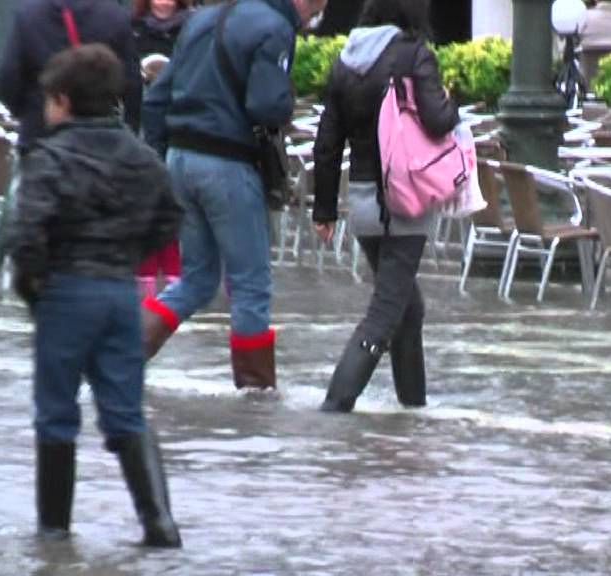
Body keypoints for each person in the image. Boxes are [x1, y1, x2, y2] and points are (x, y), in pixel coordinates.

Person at [7, 44, 183, 546]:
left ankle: (54, 534)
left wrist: (33, 287)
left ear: (62, 100)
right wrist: (129, 253)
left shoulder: (51, 156)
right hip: (118, 292)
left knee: (57, 412)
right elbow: (170, 218)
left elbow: (27, 234)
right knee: (125, 410)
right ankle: (160, 525)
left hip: (65, 290)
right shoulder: (141, 156)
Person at [141, 0, 328, 390]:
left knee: (196, 279)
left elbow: (156, 99)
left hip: (180, 159)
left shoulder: (200, 20)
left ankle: (119, 354)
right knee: (250, 285)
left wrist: (165, 159)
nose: (315, 16)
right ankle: (255, 401)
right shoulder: (274, 28)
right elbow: (266, 106)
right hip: (227, 165)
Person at [312, 0, 459, 413]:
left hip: (361, 202)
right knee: (385, 312)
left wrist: (324, 209)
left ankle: (412, 408)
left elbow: (327, 143)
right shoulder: (414, 55)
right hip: (406, 199)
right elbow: (437, 119)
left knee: (408, 308)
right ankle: (336, 405)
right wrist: (452, 101)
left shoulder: (346, 59)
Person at [0, 0, 142, 152]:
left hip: (40, 129)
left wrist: (27, 112)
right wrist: (129, 130)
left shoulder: (29, 13)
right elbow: (131, 82)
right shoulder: (115, 15)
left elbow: (9, 75)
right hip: (99, 134)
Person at [134, 0, 192, 300]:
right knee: (145, 207)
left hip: (179, 127)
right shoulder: (133, 28)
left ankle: (173, 282)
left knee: (172, 206)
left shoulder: (191, 27)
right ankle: (145, 281)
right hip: (141, 127)